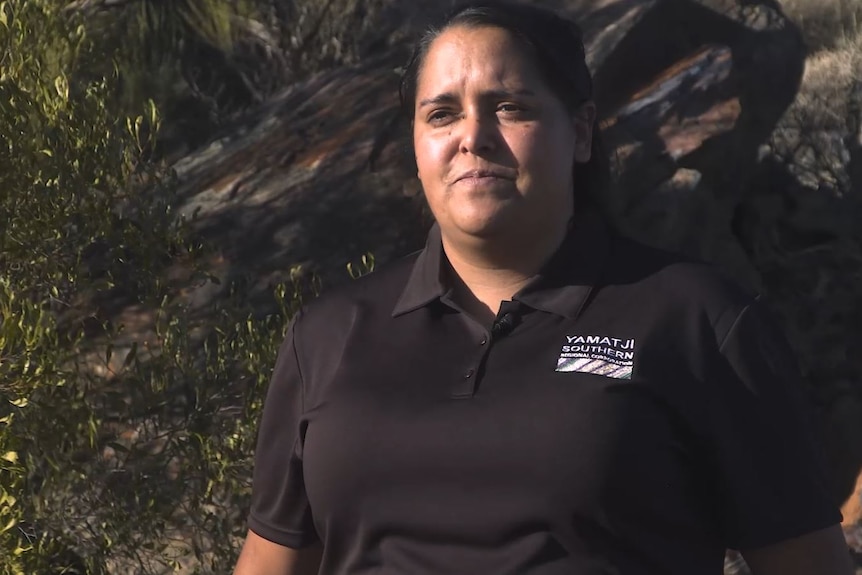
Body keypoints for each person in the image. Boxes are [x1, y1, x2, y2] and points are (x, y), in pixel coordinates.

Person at [233, 2, 854, 574]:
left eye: (510, 107)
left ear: (581, 131)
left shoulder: (699, 320)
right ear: (416, 146)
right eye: (441, 113)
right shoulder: (328, 335)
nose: (472, 137)